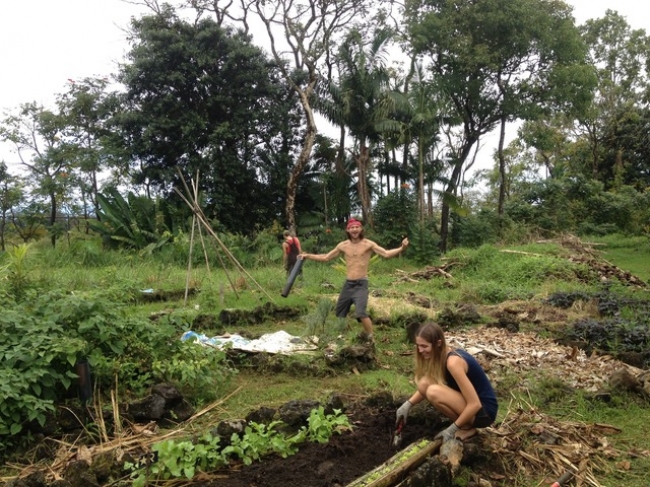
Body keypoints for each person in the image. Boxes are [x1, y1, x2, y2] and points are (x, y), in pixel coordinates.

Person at [299, 218, 408, 342]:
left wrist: (402, 248)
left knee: (361, 312)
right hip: (348, 284)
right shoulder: (343, 245)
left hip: (361, 284)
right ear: (348, 230)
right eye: (352, 227)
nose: (354, 229)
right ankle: (344, 335)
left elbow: (386, 254)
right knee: (340, 312)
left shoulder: (368, 244)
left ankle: (371, 338)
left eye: (357, 227)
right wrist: (307, 255)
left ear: (361, 229)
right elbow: (326, 257)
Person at [395, 322, 498, 442]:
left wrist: (452, 429)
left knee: (433, 392)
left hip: (484, 413)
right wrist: (407, 405)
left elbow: (475, 404)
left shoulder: (453, 363)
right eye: (418, 345)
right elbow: (425, 385)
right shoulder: (441, 355)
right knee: (424, 383)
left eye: (424, 346)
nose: (420, 350)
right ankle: (464, 425)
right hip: (473, 407)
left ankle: (466, 428)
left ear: (438, 343)